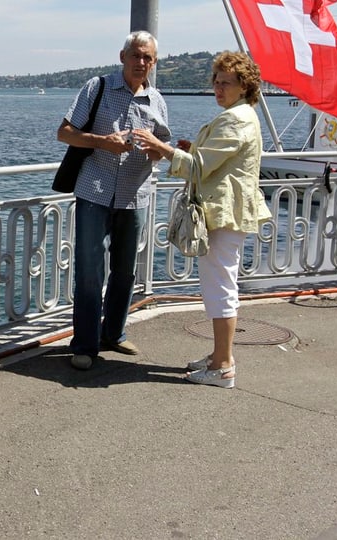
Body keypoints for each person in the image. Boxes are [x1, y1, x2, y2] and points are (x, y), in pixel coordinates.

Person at [133, 50, 271, 389]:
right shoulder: (241, 115)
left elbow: (199, 168)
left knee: (220, 286)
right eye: (215, 81)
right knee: (219, 283)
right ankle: (218, 356)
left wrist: (162, 148)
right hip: (228, 210)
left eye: (225, 83)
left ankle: (223, 365)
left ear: (244, 86)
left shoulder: (234, 120)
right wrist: (192, 149)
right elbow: (215, 161)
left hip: (224, 213)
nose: (217, 88)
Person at [57, 31, 172, 370]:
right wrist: (102, 142)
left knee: (124, 272)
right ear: (123, 56)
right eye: (136, 56)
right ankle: (85, 344)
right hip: (94, 190)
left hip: (135, 196)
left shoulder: (157, 101)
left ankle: (114, 334)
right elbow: (64, 133)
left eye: (147, 58)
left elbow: (162, 147)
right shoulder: (98, 88)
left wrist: (157, 148)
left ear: (153, 62)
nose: (141, 63)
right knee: (90, 272)